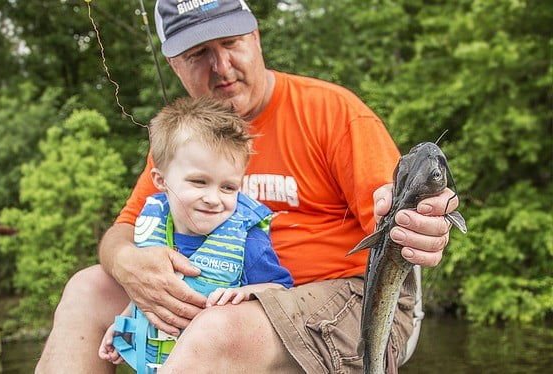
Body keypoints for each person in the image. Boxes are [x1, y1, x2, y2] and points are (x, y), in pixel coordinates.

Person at [35, 1, 459, 373]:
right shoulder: (185, 140)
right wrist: (127, 262)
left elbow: (398, 216)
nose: (221, 68)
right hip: (216, 290)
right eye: (199, 54)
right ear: (174, 65)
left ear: (255, 37)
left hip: (348, 298)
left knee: (219, 330)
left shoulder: (333, 112)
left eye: (231, 43)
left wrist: (421, 226)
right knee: (87, 290)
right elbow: (122, 230)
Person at [97, 96, 293, 368]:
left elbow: (281, 288)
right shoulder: (151, 228)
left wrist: (249, 293)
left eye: (228, 187)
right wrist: (123, 325)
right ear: (160, 180)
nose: (213, 198)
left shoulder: (248, 241)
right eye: (199, 182)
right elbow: (145, 296)